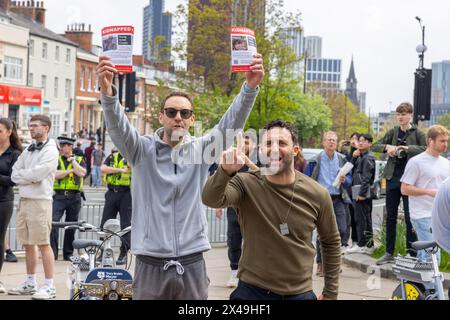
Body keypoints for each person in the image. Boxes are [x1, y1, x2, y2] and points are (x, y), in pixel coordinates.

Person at [96, 53, 264, 300]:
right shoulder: (140, 150)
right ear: (161, 116)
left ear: (191, 119)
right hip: (150, 262)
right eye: (172, 111)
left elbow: (231, 124)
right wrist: (109, 93)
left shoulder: (201, 150)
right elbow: (118, 126)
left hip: (192, 261)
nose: (178, 117)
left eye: (185, 113)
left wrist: (249, 88)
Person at [203, 120, 341, 300]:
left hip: (299, 292)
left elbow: (331, 242)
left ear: (295, 150)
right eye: (268, 143)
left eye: (282, 143)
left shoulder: (318, 194)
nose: (274, 149)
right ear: (261, 149)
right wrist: (224, 171)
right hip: (251, 292)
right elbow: (210, 199)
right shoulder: (245, 183)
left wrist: (331, 292)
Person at [9, 115, 59, 300]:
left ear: (46, 128)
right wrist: (27, 177)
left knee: (43, 243)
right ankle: (30, 282)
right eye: (30, 126)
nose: (31, 129)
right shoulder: (28, 150)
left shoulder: (51, 150)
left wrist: (25, 177)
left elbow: (39, 174)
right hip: (24, 200)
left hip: (40, 202)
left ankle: (49, 285)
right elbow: (15, 172)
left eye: (36, 126)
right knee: (28, 243)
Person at [373, 102, 426, 265]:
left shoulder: (418, 133)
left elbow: (425, 148)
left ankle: (411, 253)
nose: (400, 117)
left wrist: (407, 148)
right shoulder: (393, 132)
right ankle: (389, 252)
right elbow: (375, 145)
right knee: (391, 217)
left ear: (410, 115)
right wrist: (388, 147)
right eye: (398, 114)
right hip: (392, 179)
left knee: (411, 218)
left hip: (410, 181)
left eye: (403, 114)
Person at [209, 136, 257, 288]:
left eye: (248, 142)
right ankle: (234, 272)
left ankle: (251, 273)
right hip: (234, 206)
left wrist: (249, 162)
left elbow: (265, 178)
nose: (244, 145)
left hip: (254, 208)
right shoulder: (233, 160)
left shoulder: (259, 161)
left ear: (254, 146)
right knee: (233, 239)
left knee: (254, 241)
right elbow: (223, 182)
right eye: (242, 142)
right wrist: (218, 206)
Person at [400, 125, 450, 261]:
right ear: (430, 141)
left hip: (441, 216)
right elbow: (404, 189)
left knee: (426, 257)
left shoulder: (446, 163)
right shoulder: (416, 162)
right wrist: (429, 192)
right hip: (422, 215)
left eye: (447, 141)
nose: (445, 144)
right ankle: (425, 281)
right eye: (442, 141)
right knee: (433, 258)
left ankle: (413, 280)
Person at [308, 131, 352, 275]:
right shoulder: (315, 160)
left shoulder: (342, 159)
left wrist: (346, 180)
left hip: (338, 198)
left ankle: (333, 261)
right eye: (329, 140)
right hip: (321, 199)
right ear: (323, 142)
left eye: (334, 140)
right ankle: (321, 264)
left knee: (341, 230)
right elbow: (307, 180)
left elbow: (350, 179)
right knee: (322, 232)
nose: (332, 142)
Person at [50, 136, 86, 261]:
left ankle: (68, 253)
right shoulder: (56, 159)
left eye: (65, 145)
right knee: (53, 224)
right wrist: (71, 170)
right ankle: (52, 253)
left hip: (74, 197)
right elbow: (55, 174)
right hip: (58, 196)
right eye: (61, 145)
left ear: (70, 146)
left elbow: (82, 173)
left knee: (71, 226)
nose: (63, 148)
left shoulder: (79, 159)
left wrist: (73, 162)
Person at [0, 118, 22, 294]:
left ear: (9, 132)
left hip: (3, 201)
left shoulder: (15, 154)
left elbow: (13, 180)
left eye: (0, 131)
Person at [100, 148, 132, 265]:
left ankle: (123, 253)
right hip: (112, 192)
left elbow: (134, 168)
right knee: (105, 223)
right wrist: (120, 170)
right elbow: (103, 168)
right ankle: (102, 251)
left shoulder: (131, 155)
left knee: (126, 225)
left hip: (126, 193)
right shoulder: (112, 156)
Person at [347, 134, 376, 254]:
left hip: (361, 191)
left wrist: (362, 193)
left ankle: (362, 244)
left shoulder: (368, 158)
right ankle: (368, 245)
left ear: (370, 144)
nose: (360, 143)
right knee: (364, 217)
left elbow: (367, 177)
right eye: (359, 140)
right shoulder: (360, 156)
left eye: (364, 141)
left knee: (362, 218)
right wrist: (354, 157)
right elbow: (350, 169)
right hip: (357, 189)